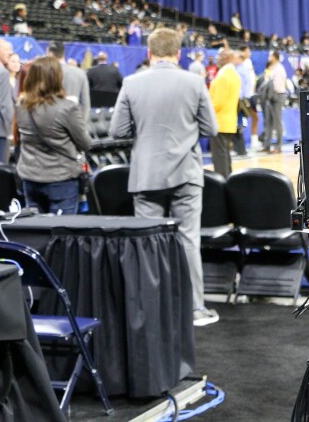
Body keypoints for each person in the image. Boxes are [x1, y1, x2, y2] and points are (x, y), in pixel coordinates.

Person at [109, 28, 220, 327]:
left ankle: (148, 309)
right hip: (186, 173)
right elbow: (211, 128)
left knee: (146, 242)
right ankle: (195, 308)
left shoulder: (131, 83)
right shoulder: (194, 82)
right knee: (188, 242)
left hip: (146, 175)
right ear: (179, 53)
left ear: (149, 52)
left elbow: (117, 131)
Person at [15, 56, 91, 214]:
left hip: (30, 177)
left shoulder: (21, 105)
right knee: (61, 234)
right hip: (61, 179)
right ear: (56, 78)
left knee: (35, 234)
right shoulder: (68, 108)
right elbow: (85, 144)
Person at [208, 49, 241, 178]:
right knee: (225, 156)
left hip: (219, 121)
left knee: (220, 158)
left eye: (220, 56)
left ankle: (222, 185)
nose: (217, 58)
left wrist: (205, 112)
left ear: (226, 58)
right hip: (229, 121)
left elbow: (218, 102)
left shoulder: (223, 76)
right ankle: (228, 183)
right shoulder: (234, 74)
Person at [47, 41, 91, 122]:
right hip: (74, 124)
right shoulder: (80, 73)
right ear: (64, 53)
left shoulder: (45, 73)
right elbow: (85, 104)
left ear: (50, 53)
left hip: (50, 125)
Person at [260, 50, 286, 154]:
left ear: (275, 57)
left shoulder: (279, 69)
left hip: (277, 96)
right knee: (268, 123)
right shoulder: (272, 68)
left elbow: (277, 85)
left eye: (270, 55)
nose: (269, 57)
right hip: (270, 97)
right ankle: (267, 145)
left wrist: (271, 95)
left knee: (277, 122)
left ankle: (278, 146)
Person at [234, 47, 257, 154]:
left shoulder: (239, 71)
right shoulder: (244, 70)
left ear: (240, 59)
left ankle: (240, 149)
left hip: (241, 100)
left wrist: (239, 99)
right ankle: (240, 148)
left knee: (239, 123)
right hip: (246, 99)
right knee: (240, 123)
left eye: (235, 58)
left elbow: (240, 87)